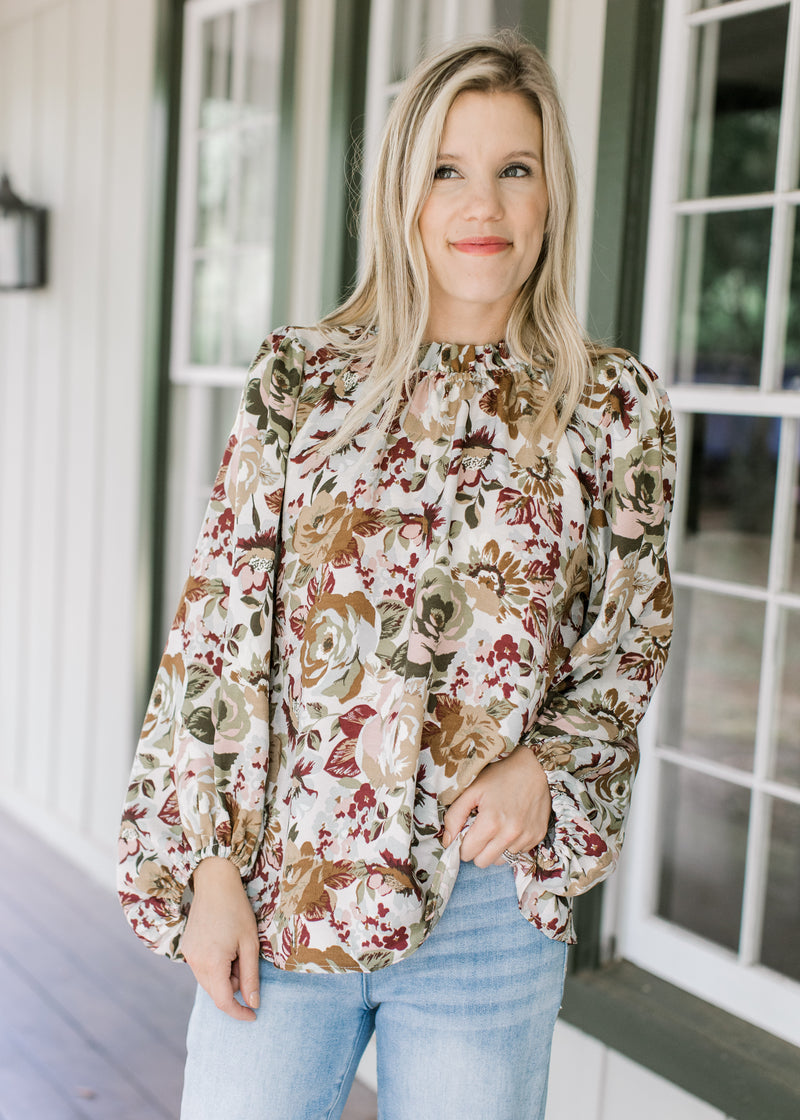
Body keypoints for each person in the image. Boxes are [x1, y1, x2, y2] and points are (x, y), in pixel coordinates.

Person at [118, 30, 675, 1120]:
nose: (483, 205)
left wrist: (547, 768)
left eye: (513, 169)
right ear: (402, 193)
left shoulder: (614, 408)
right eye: (446, 169)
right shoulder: (301, 381)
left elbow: (628, 639)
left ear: (549, 195)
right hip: (281, 885)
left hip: (483, 913)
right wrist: (207, 869)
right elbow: (217, 639)